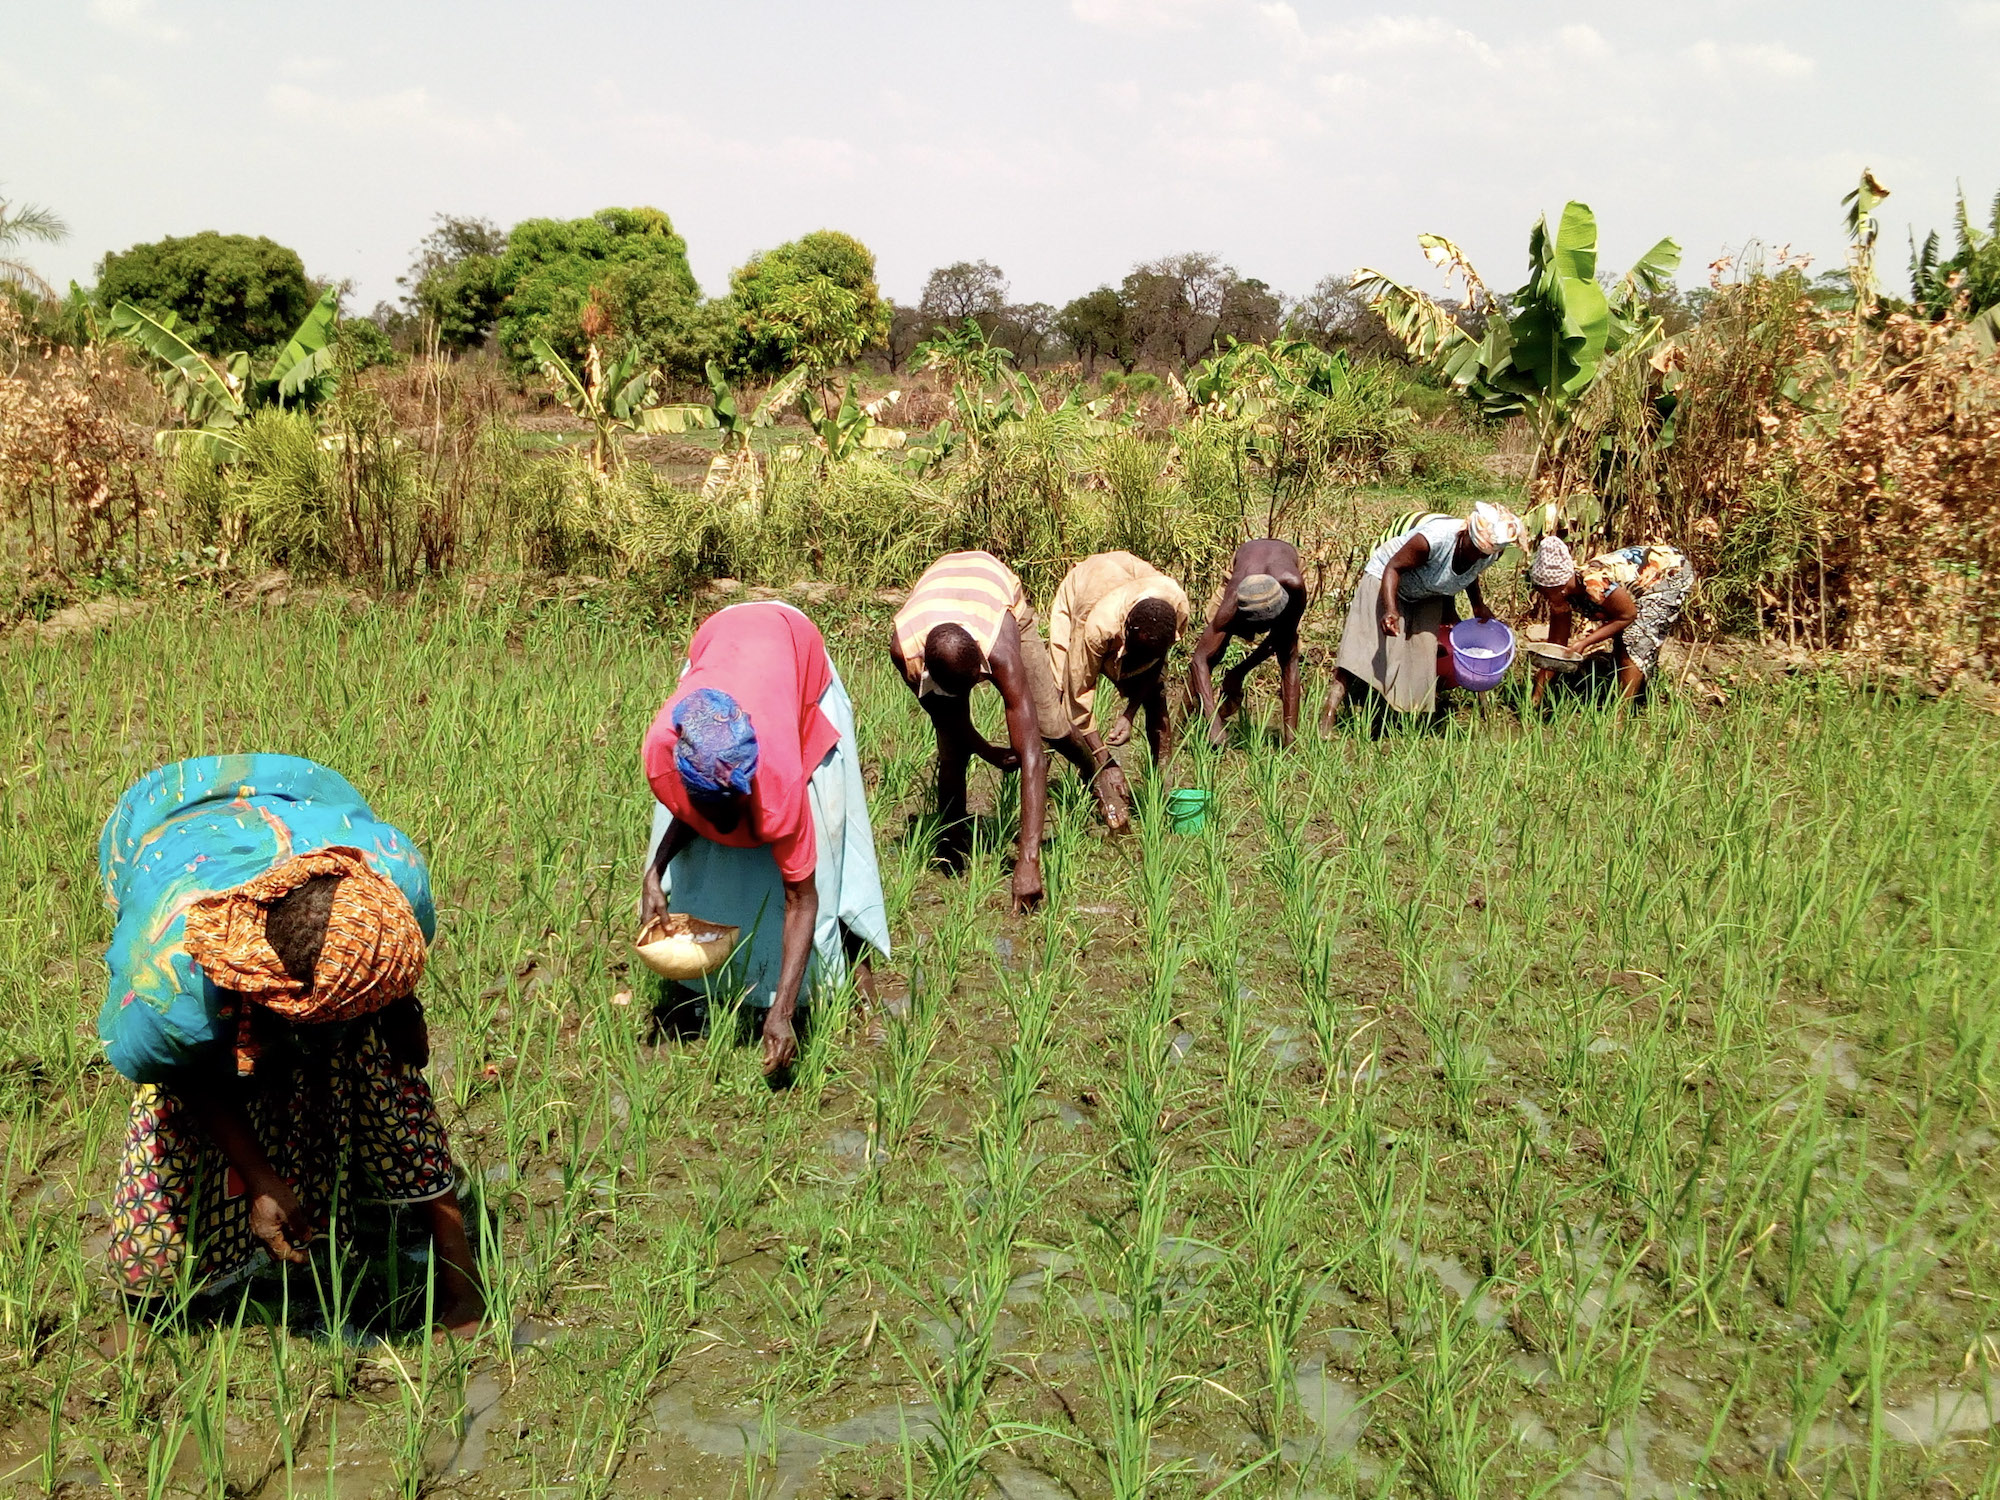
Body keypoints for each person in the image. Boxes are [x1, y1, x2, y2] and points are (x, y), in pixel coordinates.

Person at [97, 755, 482, 1336]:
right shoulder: (166, 982)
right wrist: (259, 1177)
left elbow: (384, 1004)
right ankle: (170, 1296)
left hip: (294, 793)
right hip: (156, 826)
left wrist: (402, 1010)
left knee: (378, 1065)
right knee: (184, 1115)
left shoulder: (394, 883)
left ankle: (429, 1254)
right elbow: (179, 1074)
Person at [641, 600, 890, 1077]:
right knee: (698, 858)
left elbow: (803, 898)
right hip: (720, 640)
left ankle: (852, 978)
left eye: (731, 808)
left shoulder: (777, 779)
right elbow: (686, 804)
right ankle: (706, 988)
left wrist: (783, 1013)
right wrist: (655, 871)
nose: (723, 826)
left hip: (793, 647)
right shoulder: (665, 747)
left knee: (830, 849)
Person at [889, 550, 1131, 913]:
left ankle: (1093, 772)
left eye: (980, 679)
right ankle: (951, 842)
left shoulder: (1000, 646)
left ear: (982, 664)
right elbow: (946, 721)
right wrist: (987, 750)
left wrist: (1028, 861)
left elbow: (1032, 753)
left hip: (996, 595)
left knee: (1051, 726)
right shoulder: (905, 651)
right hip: (940, 599)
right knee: (951, 746)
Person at [1322, 502, 1530, 727]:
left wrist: (1478, 605)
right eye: (1475, 550)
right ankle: (1331, 709)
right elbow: (1393, 568)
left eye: (1483, 554)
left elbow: (1471, 573)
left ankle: (1404, 722)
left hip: (1427, 592)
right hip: (1385, 580)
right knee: (1364, 648)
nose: (1477, 557)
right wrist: (1390, 610)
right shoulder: (1434, 539)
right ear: (1465, 535)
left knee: (1420, 655)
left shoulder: (1489, 554)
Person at [1046, 551, 1190, 775]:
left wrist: (1129, 714)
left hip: (1128, 574)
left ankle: (1164, 777)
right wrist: (1106, 762)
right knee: (1055, 695)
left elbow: (1156, 662)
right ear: (1125, 634)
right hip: (1082, 590)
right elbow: (1077, 702)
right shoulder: (1096, 630)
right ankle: (1042, 771)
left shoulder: (1176, 606)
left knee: (1156, 693)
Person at [1527, 535, 1696, 703]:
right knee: (1624, 639)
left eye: (1544, 591)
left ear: (1559, 587)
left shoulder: (1594, 583)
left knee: (1634, 640)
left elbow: (1628, 615)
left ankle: (1622, 710)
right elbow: (1556, 645)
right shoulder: (1560, 595)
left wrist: (1584, 643)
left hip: (1670, 572)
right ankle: (1631, 688)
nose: (1544, 597)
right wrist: (1537, 696)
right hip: (1638, 587)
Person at [1187, 539, 1308, 747]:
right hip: (1244, 568)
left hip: (1284, 570)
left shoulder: (1294, 587)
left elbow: (1281, 638)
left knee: (1288, 654)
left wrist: (1239, 672)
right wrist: (1214, 724)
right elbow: (1199, 659)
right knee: (1213, 653)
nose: (1258, 633)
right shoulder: (1232, 600)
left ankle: (1291, 742)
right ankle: (1183, 723)